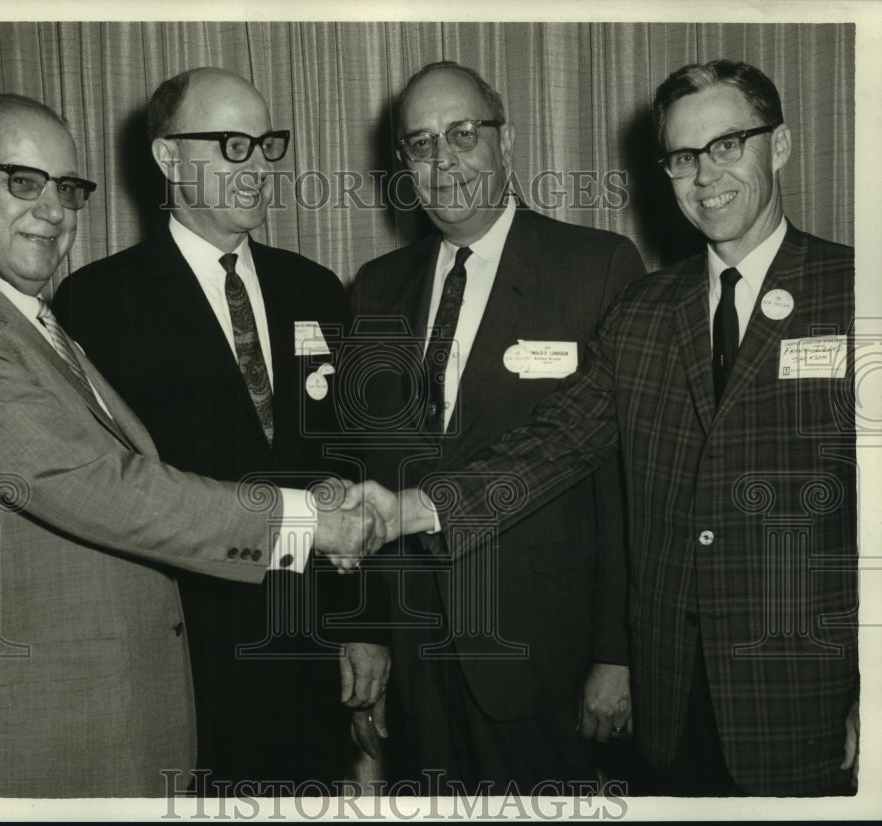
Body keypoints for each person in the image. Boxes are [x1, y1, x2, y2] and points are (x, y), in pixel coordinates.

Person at [361, 59, 859, 797]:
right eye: (684, 157)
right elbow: (557, 443)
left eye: (728, 146)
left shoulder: (856, 291)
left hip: (804, 697)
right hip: (671, 708)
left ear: (779, 147)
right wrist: (413, 508)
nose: (705, 176)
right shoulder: (648, 310)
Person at [0, 93, 378, 798]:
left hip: (148, 693)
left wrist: (356, 612)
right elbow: (106, 487)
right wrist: (309, 522)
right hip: (31, 724)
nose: (53, 210)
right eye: (22, 182)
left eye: (67, 188)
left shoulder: (22, 317)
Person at [52, 68, 388, 791]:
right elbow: (102, 494)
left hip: (307, 649)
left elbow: (354, 462)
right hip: (181, 655)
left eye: (267, 144)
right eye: (233, 145)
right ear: (168, 158)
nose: (259, 167)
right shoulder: (95, 304)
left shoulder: (316, 288)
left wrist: (365, 623)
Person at [348, 61, 646, 795]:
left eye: (462, 134)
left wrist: (619, 651)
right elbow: (369, 470)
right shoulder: (376, 287)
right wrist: (364, 631)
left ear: (505, 141)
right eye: (420, 144)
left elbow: (622, 478)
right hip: (417, 655)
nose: (443, 160)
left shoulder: (595, 266)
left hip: (545, 648)